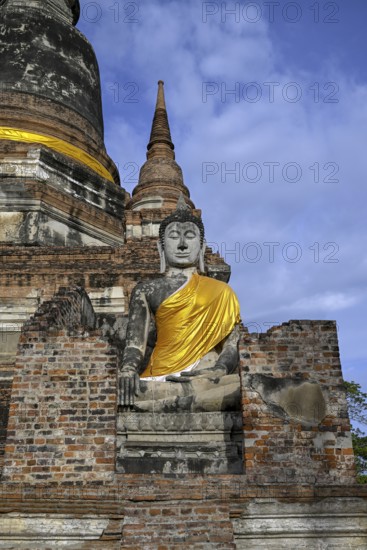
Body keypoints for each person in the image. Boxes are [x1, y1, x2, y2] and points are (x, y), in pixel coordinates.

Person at [119, 196, 241, 412]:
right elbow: (134, 345)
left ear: (202, 247)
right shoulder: (147, 290)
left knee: (243, 387)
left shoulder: (222, 291)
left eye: (190, 236)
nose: (183, 244)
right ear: (161, 247)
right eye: (174, 237)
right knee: (125, 391)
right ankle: (177, 400)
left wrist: (219, 370)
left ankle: (170, 403)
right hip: (160, 379)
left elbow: (231, 345)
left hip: (207, 377)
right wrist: (128, 371)